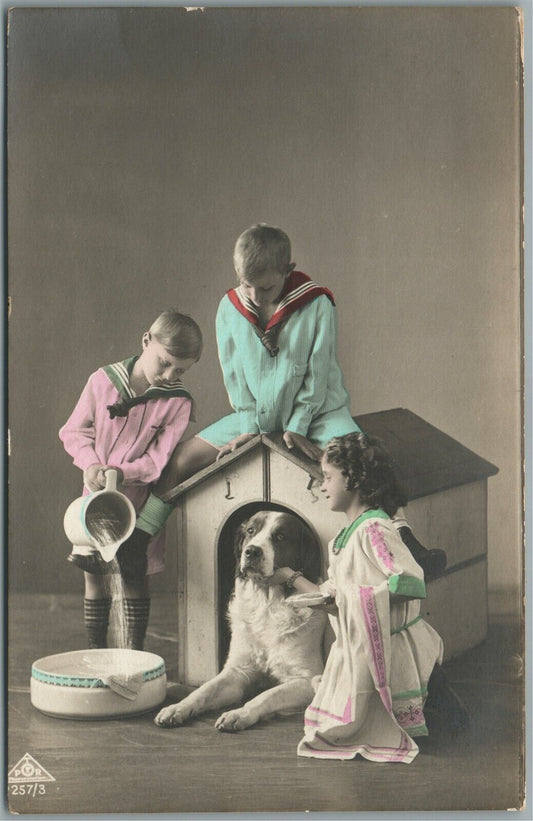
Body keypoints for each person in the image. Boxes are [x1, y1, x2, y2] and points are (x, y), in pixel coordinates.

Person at [118, 224, 445, 578]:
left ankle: (408, 546)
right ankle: (140, 540)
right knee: (180, 459)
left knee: (365, 461)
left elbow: (317, 377)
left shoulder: (318, 303)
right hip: (255, 415)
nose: (256, 296)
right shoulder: (228, 309)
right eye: (246, 285)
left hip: (319, 412)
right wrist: (248, 427)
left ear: (288, 271)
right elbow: (236, 378)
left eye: (266, 287)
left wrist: (298, 428)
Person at [270, 433, 465, 763]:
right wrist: (306, 587)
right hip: (364, 647)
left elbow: (410, 581)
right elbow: (334, 591)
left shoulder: (375, 529)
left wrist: (352, 600)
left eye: (328, 477)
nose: (322, 486)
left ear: (354, 478)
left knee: (449, 725)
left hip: (395, 647)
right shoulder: (343, 538)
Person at [59, 310, 203, 650]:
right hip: (96, 497)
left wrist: (125, 473)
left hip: (139, 502)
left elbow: (158, 460)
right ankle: (96, 650)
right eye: (164, 363)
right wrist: (91, 464)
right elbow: (74, 431)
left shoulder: (177, 403)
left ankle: (134, 654)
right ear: (145, 341)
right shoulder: (102, 381)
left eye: (180, 370)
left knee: (135, 576)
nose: (169, 375)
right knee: (95, 574)